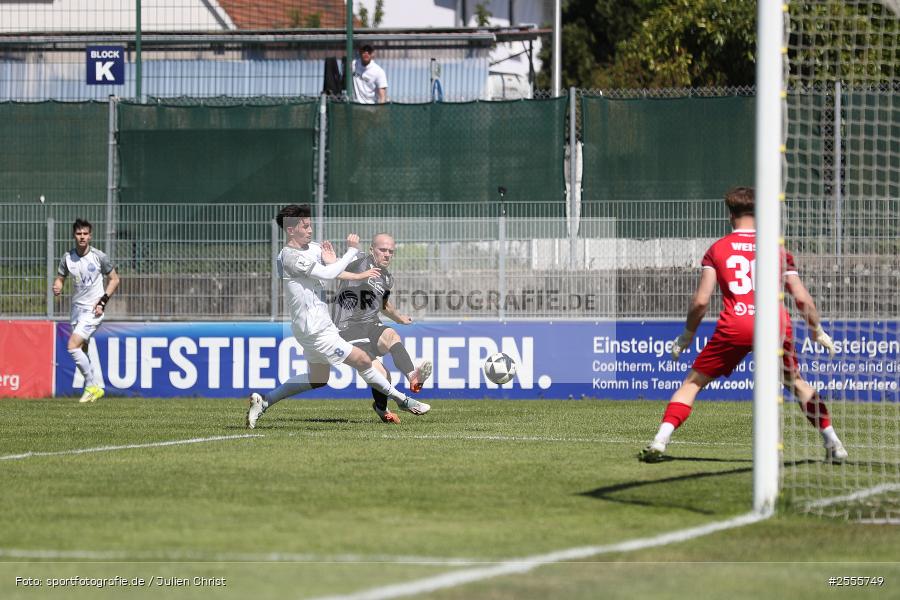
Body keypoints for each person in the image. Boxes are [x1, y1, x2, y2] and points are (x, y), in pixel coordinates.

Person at [638, 187, 848, 464]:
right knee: (795, 382)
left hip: (737, 323)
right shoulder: (777, 249)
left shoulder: (718, 249)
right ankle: (833, 443)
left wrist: (686, 336)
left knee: (693, 382)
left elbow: (701, 301)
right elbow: (802, 298)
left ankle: (660, 440)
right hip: (774, 324)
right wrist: (817, 331)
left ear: (730, 215)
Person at [246, 204, 429, 429]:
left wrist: (349, 269)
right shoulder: (289, 257)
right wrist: (351, 251)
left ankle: (264, 402)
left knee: (318, 378)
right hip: (316, 329)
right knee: (363, 360)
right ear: (291, 230)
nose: (311, 230)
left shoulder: (312, 249)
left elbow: (333, 268)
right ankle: (403, 400)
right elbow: (327, 273)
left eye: (311, 225)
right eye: (305, 226)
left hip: (317, 327)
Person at [330, 233, 433, 424]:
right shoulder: (359, 259)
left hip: (370, 323)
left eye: (390, 251)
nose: (387, 255)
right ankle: (381, 408)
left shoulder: (386, 278)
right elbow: (333, 264)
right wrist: (335, 254)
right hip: (348, 327)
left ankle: (413, 377)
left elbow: (384, 305)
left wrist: (399, 318)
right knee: (383, 374)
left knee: (392, 334)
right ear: (372, 250)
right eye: (382, 250)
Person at [52, 218, 120, 404]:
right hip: (76, 310)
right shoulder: (67, 258)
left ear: (90, 236)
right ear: (74, 236)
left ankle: (91, 386)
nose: (82, 237)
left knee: (72, 346)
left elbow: (114, 279)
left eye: (85, 234)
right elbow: (60, 278)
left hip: (93, 310)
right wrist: (57, 286)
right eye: (78, 234)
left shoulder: (99, 257)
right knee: (83, 349)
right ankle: (94, 387)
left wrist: (102, 301)